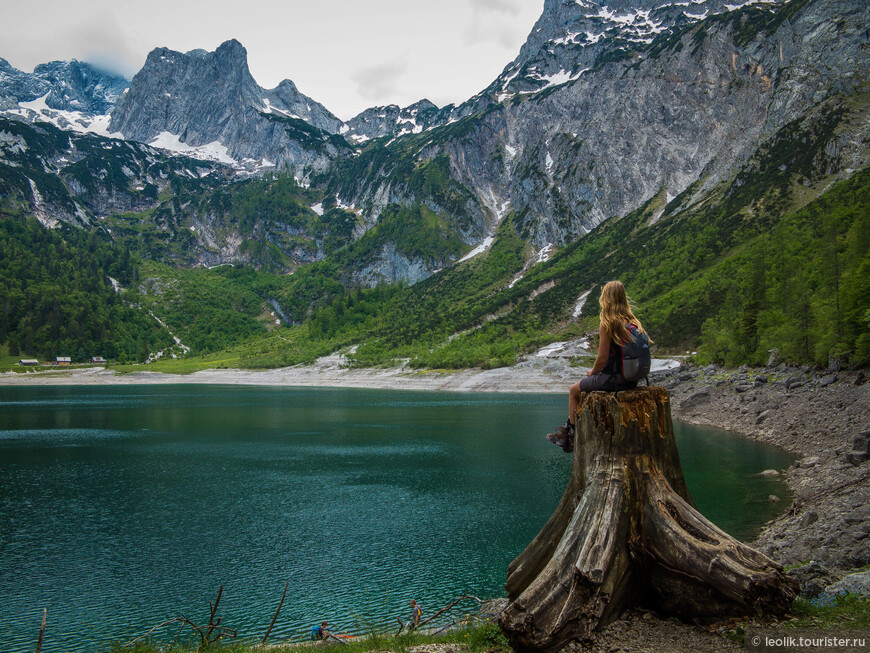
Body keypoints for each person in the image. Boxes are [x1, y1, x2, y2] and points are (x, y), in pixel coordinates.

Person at [547, 280, 649, 452]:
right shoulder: (633, 323)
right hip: (631, 379)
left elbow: (602, 359)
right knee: (582, 389)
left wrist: (592, 372)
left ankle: (569, 435)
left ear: (606, 299)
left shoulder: (608, 323)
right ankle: (568, 429)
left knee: (573, 390)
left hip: (612, 379)